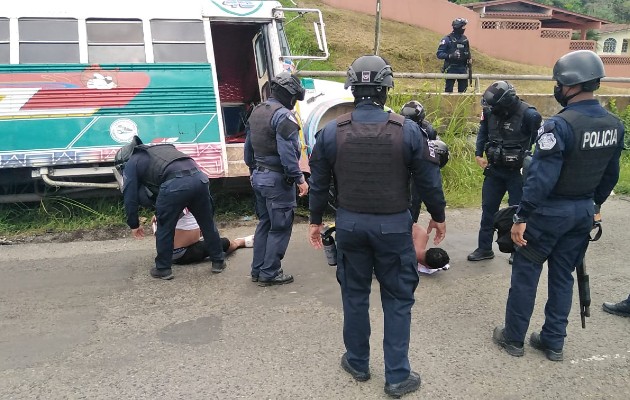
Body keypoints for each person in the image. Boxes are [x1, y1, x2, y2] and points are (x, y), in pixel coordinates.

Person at [308, 55, 447, 398]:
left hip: (351, 225)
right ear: (386, 89)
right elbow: (429, 181)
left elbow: (319, 183)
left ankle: (357, 362)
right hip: (393, 227)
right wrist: (438, 216)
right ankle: (397, 376)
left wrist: (314, 222)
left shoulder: (331, 132)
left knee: (354, 295)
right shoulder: (408, 130)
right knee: (398, 299)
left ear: (352, 89)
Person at [492, 50, 624, 361]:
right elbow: (611, 174)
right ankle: (553, 341)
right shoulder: (614, 125)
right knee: (564, 275)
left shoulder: (559, 126)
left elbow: (540, 178)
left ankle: (513, 338)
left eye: (558, 83)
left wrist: (522, 215)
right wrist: (595, 205)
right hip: (582, 213)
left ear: (570, 85)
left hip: (548, 212)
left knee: (526, 273)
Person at [117, 135, 225, 280]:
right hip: (199, 178)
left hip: (175, 185)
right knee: (207, 223)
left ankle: (163, 268)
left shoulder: (132, 162)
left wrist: (134, 224)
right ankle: (218, 261)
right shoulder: (161, 150)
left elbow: (130, 195)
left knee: (165, 226)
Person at [244, 71, 309, 286]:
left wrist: (253, 171)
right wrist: (299, 179)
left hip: (259, 177)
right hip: (277, 180)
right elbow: (287, 152)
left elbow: (248, 148)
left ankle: (257, 270)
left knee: (265, 223)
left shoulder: (257, 111)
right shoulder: (283, 116)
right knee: (280, 227)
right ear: (289, 95)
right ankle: (270, 273)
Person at [468, 81, 542, 262]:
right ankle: (484, 248)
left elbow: (540, 144)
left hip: (517, 172)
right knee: (488, 210)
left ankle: (518, 249)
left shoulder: (530, 115)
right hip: (494, 169)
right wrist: (478, 153)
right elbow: (483, 132)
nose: (492, 110)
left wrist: (531, 164)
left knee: (518, 212)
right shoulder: (489, 110)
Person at [151, 210, 253, 265]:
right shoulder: (181, 204)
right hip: (182, 253)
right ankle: (239, 242)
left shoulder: (165, 205)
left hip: (167, 252)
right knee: (224, 242)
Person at [436, 18, 471, 93]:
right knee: (448, 91)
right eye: (463, 27)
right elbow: (439, 54)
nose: (464, 29)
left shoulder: (465, 39)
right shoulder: (447, 39)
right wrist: (450, 56)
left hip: (462, 69)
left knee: (463, 92)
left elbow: (468, 52)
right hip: (450, 69)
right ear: (458, 27)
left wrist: (469, 59)